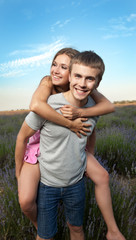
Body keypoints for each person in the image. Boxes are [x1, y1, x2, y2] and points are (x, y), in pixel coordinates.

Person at [15, 50, 125, 240]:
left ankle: (113, 230)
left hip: (68, 144)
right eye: (54, 64)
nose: (56, 71)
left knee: (102, 176)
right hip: (40, 144)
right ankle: (42, 228)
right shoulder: (47, 84)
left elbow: (96, 121)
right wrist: (70, 122)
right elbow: (35, 107)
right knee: (25, 201)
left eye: (63, 67)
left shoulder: (85, 88)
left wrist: (81, 117)